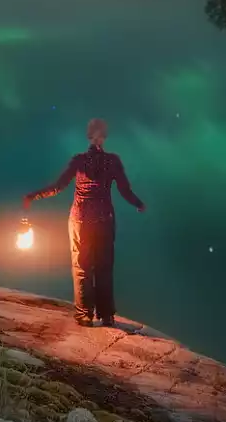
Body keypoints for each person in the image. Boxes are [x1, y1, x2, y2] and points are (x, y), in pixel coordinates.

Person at [23, 118, 144, 328]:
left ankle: (84, 315)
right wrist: (138, 203)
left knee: (82, 267)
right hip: (104, 219)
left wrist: (34, 196)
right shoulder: (113, 161)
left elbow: (58, 186)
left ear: (89, 136)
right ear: (104, 137)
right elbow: (125, 190)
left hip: (80, 219)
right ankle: (106, 316)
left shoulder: (78, 161)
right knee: (104, 267)